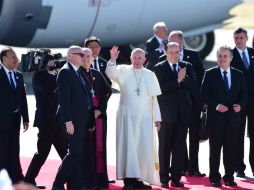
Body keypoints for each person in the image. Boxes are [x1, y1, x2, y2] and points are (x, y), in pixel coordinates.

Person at [106, 46, 161, 189]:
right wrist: (112, 59)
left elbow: (154, 99)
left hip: (145, 118)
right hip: (127, 117)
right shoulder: (123, 70)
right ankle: (128, 181)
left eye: (140, 58)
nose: (137, 60)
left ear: (144, 59)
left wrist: (158, 118)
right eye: (134, 57)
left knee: (142, 148)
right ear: (130, 58)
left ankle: (138, 179)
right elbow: (110, 73)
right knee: (127, 147)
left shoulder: (150, 74)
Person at [159, 30, 205, 176]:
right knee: (177, 141)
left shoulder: (191, 59)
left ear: (181, 43)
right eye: (169, 46)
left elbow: (198, 82)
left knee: (193, 138)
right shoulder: (161, 62)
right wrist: (178, 80)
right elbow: (160, 87)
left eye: (176, 46)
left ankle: (194, 168)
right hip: (171, 109)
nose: (174, 51)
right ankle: (181, 167)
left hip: (190, 105)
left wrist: (201, 103)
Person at [201, 46, 247, 187]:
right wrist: (216, 106)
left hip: (233, 120)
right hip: (216, 120)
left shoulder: (239, 75)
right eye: (220, 56)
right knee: (214, 151)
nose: (222, 59)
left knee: (230, 150)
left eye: (225, 56)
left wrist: (240, 105)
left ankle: (229, 177)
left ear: (231, 58)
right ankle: (214, 177)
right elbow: (204, 94)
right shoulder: (210, 74)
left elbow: (245, 95)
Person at [154, 42, 197, 188]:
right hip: (166, 115)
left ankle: (177, 178)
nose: (174, 55)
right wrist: (177, 80)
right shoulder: (159, 67)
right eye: (171, 52)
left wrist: (184, 78)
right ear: (166, 53)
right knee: (165, 148)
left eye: (177, 52)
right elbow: (160, 88)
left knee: (179, 148)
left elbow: (194, 86)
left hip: (182, 114)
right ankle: (164, 178)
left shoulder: (187, 66)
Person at [51, 46, 94, 190]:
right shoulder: (65, 72)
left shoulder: (76, 71)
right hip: (72, 122)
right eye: (81, 54)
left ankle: (78, 184)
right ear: (71, 56)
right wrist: (68, 121)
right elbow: (64, 99)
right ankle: (57, 184)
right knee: (74, 153)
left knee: (77, 154)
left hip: (80, 121)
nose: (84, 57)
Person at [24, 62, 68, 188]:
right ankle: (28, 180)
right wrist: (51, 73)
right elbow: (47, 88)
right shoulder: (39, 76)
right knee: (42, 152)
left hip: (58, 121)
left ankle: (71, 179)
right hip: (46, 122)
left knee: (65, 152)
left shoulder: (56, 74)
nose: (53, 63)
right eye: (49, 61)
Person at [80, 48, 112, 189]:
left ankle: (100, 181)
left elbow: (107, 92)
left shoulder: (97, 74)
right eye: (84, 56)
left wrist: (100, 110)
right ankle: (88, 181)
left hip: (99, 116)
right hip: (84, 117)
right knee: (86, 149)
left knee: (99, 148)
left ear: (93, 58)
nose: (87, 58)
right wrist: (89, 112)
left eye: (89, 56)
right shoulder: (76, 74)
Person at [0, 47, 29, 184]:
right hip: (2, 121)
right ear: (4, 59)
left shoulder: (19, 75)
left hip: (15, 120)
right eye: (13, 57)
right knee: (2, 150)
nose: (16, 59)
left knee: (14, 148)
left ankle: (16, 176)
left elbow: (22, 99)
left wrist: (26, 118)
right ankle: (3, 178)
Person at [231, 27, 254, 177]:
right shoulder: (230, 55)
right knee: (237, 136)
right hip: (238, 102)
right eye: (236, 38)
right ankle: (239, 167)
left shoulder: (253, 53)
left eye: (241, 38)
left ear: (246, 38)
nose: (238, 41)